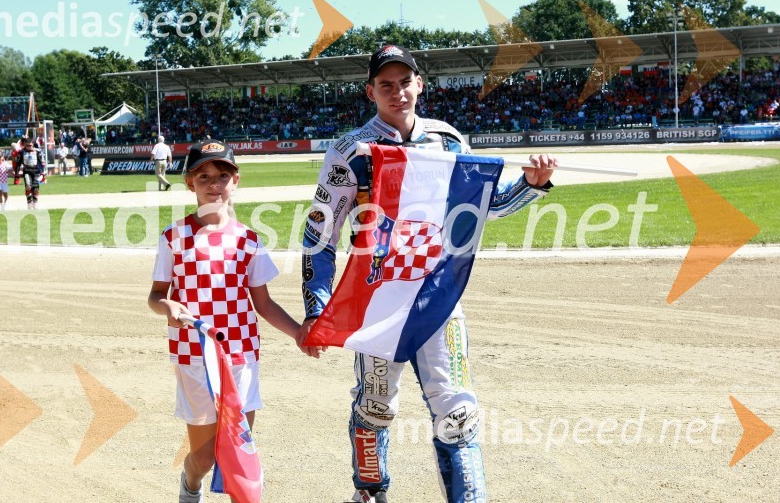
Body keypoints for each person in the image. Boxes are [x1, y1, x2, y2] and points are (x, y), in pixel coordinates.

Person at [298, 45, 557, 503]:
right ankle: (370, 492)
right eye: (385, 85)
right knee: (375, 406)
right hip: (378, 299)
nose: (397, 92)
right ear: (370, 92)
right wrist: (316, 307)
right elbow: (320, 234)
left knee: (457, 409)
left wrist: (531, 187)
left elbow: (482, 210)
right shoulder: (350, 151)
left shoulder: (449, 141)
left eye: (404, 82)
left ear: (419, 84)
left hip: (439, 293)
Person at [147, 139, 320, 503]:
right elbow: (156, 294)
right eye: (204, 176)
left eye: (222, 176)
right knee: (206, 456)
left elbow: (264, 303)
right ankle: (190, 484)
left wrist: (298, 334)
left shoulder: (249, 241)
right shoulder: (174, 238)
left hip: (240, 355)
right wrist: (169, 308)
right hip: (193, 357)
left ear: (235, 181)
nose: (214, 184)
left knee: (239, 451)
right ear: (189, 183)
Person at [13, 138, 45, 210]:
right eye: (27, 145)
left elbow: (42, 163)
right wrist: (17, 173)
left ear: (33, 144)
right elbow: (18, 163)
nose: (29, 147)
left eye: (30, 145)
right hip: (27, 171)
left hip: (36, 171)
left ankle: (35, 203)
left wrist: (42, 173)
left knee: (35, 188)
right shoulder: (21, 152)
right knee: (28, 186)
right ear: (25, 145)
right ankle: (29, 203)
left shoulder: (38, 152)